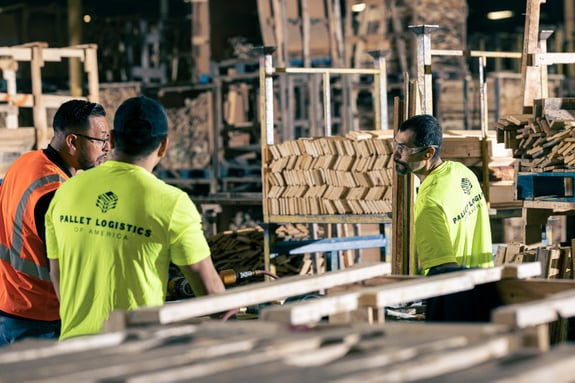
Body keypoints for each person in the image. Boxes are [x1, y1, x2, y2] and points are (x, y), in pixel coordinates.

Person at [46, 96, 225, 340]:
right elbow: (211, 294)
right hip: (134, 354)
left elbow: (57, 274)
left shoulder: (66, 190)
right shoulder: (173, 203)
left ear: (112, 138)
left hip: (74, 350)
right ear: (164, 146)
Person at [0, 100, 110, 345]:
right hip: (40, 316)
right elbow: (71, 264)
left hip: (9, 305)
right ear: (72, 141)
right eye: (100, 140)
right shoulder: (55, 191)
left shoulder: (24, 163)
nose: (107, 147)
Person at [393, 114, 493, 275]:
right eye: (396, 145)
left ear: (428, 153)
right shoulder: (463, 172)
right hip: (484, 285)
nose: (395, 155)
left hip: (460, 294)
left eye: (404, 149)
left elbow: (443, 271)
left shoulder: (429, 202)